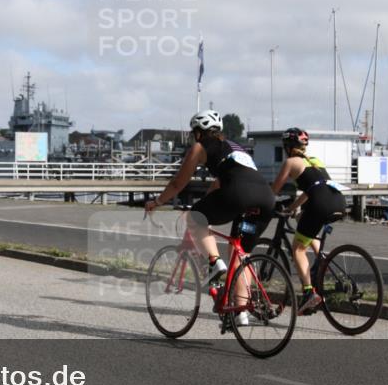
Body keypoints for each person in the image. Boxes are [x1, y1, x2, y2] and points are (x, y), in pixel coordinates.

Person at [144, 110, 275, 324]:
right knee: (241, 254)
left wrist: (157, 202)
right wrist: (207, 205)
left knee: (194, 218)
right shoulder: (235, 147)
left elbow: (178, 183)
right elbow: (220, 183)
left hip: (238, 194)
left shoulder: (199, 147)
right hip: (266, 198)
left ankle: (214, 263)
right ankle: (241, 310)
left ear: (198, 132)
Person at [271, 128, 346, 313]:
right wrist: (292, 208)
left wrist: (265, 204)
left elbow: (274, 191)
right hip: (338, 201)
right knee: (303, 221)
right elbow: (310, 189)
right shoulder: (315, 161)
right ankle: (322, 262)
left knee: (297, 249)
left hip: (320, 203)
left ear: (287, 147)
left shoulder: (290, 162)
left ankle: (308, 292)